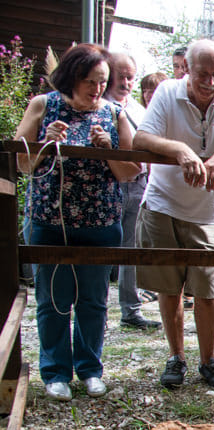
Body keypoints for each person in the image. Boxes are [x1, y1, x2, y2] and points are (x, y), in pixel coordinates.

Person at [15, 43, 142, 401]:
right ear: (71, 77)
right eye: (89, 81)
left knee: (93, 301)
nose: (96, 88)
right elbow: (22, 162)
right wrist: (44, 143)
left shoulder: (116, 114)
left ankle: (90, 369)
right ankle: (55, 372)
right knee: (52, 300)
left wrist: (107, 151)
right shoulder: (44, 105)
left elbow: (129, 173)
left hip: (99, 222)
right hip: (49, 220)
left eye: (102, 81)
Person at [133, 39, 214, 390]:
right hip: (163, 202)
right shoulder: (167, 92)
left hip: (208, 209)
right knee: (169, 287)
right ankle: (176, 357)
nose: (209, 82)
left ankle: (208, 359)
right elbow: (142, 137)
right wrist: (180, 151)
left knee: (207, 289)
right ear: (187, 70)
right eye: (202, 74)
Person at [103, 52, 162, 332]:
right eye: (120, 75)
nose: (125, 82)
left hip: (137, 185)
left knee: (131, 249)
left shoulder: (139, 110)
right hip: (107, 186)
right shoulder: (98, 107)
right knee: (102, 249)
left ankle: (131, 309)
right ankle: (97, 311)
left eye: (130, 77)